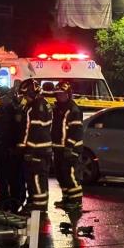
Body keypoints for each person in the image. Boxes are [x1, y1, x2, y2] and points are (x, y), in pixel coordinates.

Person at [17, 79, 52, 212]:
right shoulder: (43, 104)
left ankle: (38, 207)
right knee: (40, 179)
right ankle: (38, 204)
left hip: (37, 149)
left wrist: (28, 150)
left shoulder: (35, 107)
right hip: (43, 148)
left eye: (26, 95)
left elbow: (33, 130)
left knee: (36, 178)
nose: (25, 98)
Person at [0, 86, 25, 212]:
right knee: (1, 175)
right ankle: (3, 198)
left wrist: (17, 147)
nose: (0, 100)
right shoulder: (2, 108)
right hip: (1, 146)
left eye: (2, 97)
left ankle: (16, 201)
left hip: (12, 148)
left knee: (14, 177)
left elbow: (20, 129)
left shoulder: (15, 109)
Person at [51, 81, 84, 211]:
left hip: (71, 149)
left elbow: (76, 131)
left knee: (70, 175)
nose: (59, 97)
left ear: (68, 94)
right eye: (57, 94)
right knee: (61, 175)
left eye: (62, 94)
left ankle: (76, 201)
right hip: (59, 148)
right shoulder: (58, 109)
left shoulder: (73, 109)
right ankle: (67, 198)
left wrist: (69, 147)